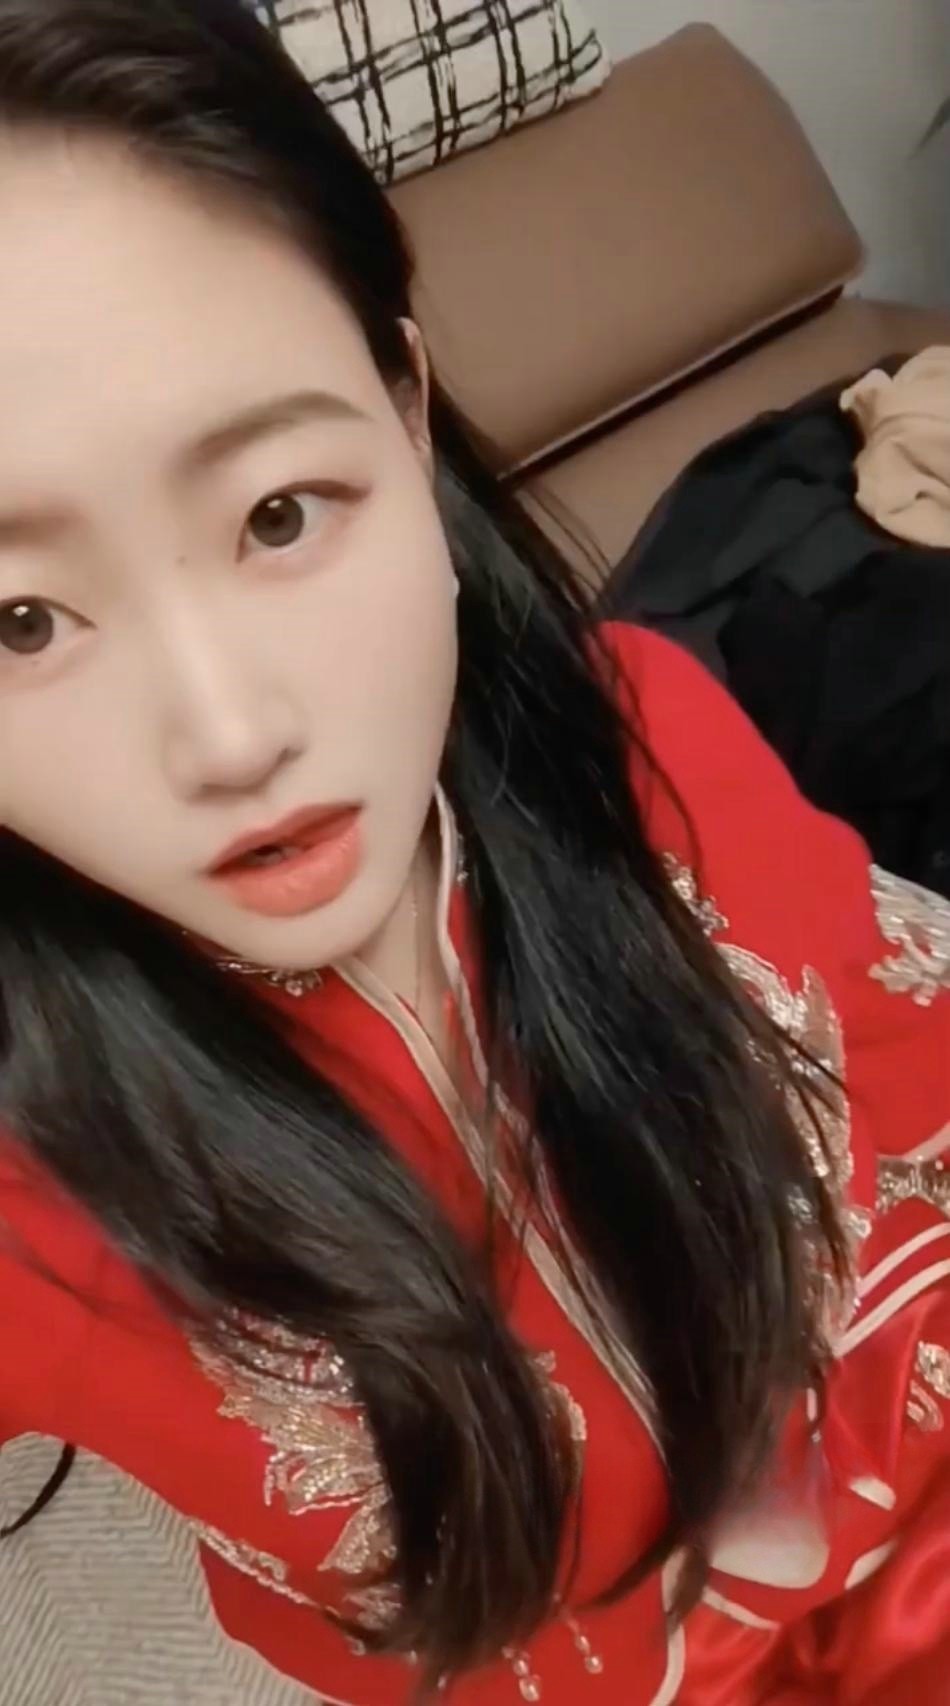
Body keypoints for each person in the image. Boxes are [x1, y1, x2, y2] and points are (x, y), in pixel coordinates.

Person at [0, 4, 946, 1702]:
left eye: (277, 513)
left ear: (406, 407)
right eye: (18, 621)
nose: (230, 734)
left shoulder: (645, 732)